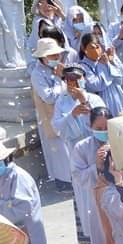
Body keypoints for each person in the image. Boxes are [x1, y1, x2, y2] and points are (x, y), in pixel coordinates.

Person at [71, 106, 122, 244]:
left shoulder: (119, 141)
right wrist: (97, 166)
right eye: (98, 127)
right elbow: (78, 176)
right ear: (90, 126)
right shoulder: (82, 148)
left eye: (106, 127)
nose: (103, 131)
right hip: (98, 203)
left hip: (121, 198)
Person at [53, 65, 105, 244]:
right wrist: (72, 115)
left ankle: (108, 230)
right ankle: (92, 237)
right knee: (84, 194)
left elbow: (104, 121)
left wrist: (87, 105)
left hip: (98, 149)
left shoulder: (95, 98)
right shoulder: (61, 102)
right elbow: (58, 127)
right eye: (69, 81)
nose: (73, 84)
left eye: (77, 79)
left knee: (103, 188)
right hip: (78, 153)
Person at [0, 146, 57, 244]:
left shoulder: (18, 177)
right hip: (10, 238)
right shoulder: (3, 177)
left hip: (26, 234)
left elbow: (23, 208)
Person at [29, 37, 73, 192]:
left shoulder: (57, 69)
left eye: (57, 55)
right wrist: (60, 80)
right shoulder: (37, 74)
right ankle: (63, 182)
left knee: (68, 149)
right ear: (43, 57)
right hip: (50, 117)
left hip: (64, 114)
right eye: (52, 56)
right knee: (58, 151)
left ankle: (70, 180)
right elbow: (48, 96)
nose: (56, 58)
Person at [77, 33, 123, 117]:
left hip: (114, 98)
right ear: (83, 49)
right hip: (99, 102)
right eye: (92, 47)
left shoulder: (104, 58)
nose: (96, 50)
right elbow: (96, 85)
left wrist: (111, 60)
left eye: (97, 47)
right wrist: (102, 66)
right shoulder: (82, 67)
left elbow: (120, 73)